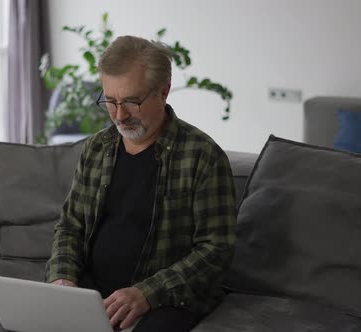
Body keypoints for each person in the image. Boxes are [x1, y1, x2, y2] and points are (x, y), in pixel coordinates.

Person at [45, 35, 237, 332]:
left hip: (167, 300)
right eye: (110, 101)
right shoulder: (97, 148)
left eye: (132, 101)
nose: (120, 115)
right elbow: (71, 226)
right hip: (94, 291)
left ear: (164, 92)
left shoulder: (203, 156)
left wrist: (147, 293)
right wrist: (63, 278)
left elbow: (216, 251)